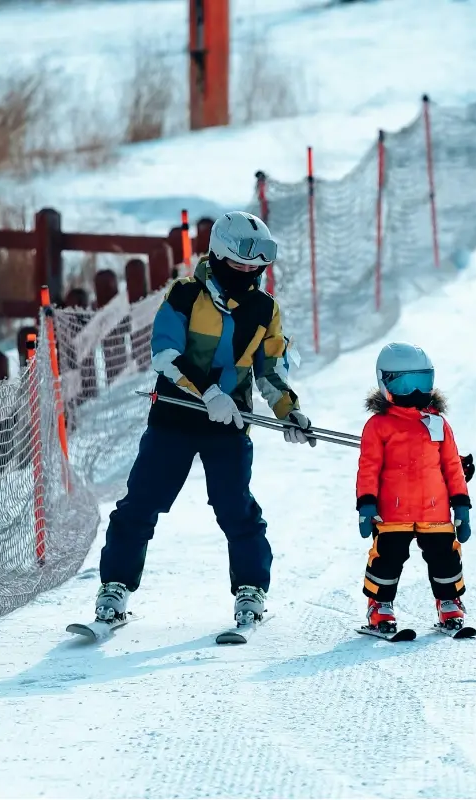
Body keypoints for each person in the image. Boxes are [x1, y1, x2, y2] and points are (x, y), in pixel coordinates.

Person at [92, 211, 314, 627]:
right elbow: (165, 355)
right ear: (218, 257)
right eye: (240, 266)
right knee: (141, 502)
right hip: (175, 416)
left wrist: (289, 411)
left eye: (256, 268)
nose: (248, 274)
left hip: (229, 424)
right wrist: (208, 392)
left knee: (236, 508)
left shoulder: (265, 309)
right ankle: (115, 587)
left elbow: (269, 369)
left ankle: (251, 589)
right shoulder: (184, 295)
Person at [355, 342, 473, 634]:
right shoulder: (378, 426)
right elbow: (368, 467)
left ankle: (448, 602)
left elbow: (452, 467)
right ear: (386, 384)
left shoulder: (438, 423)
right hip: (393, 513)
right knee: (388, 559)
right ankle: (379, 607)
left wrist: (461, 504)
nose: (416, 394)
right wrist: (366, 503)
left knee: (445, 557)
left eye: (422, 384)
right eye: (406, 385)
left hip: (436, 511)